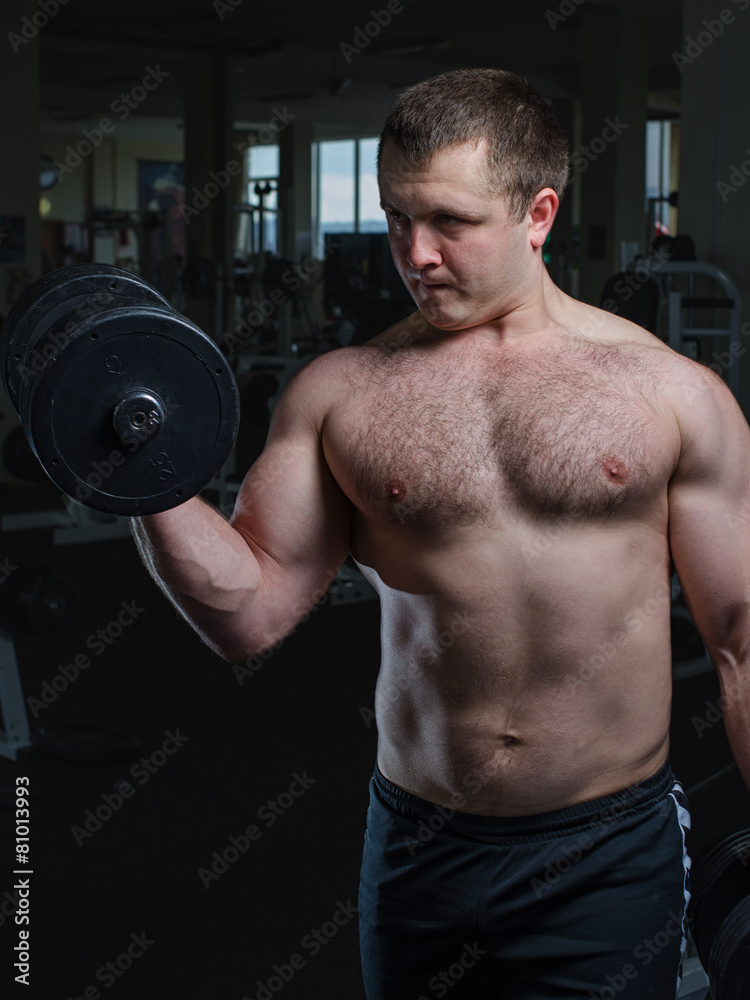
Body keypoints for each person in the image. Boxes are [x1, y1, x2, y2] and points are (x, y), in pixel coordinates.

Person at [132, 68, 750, 1000]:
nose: (414, 254)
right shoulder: (341, 392)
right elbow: (246, 613)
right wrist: (142, 471)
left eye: (450, 223)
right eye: (395, 218)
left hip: (604, 852)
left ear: (537, 215)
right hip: (417, 846)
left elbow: (741, 639)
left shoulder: (670, 397)